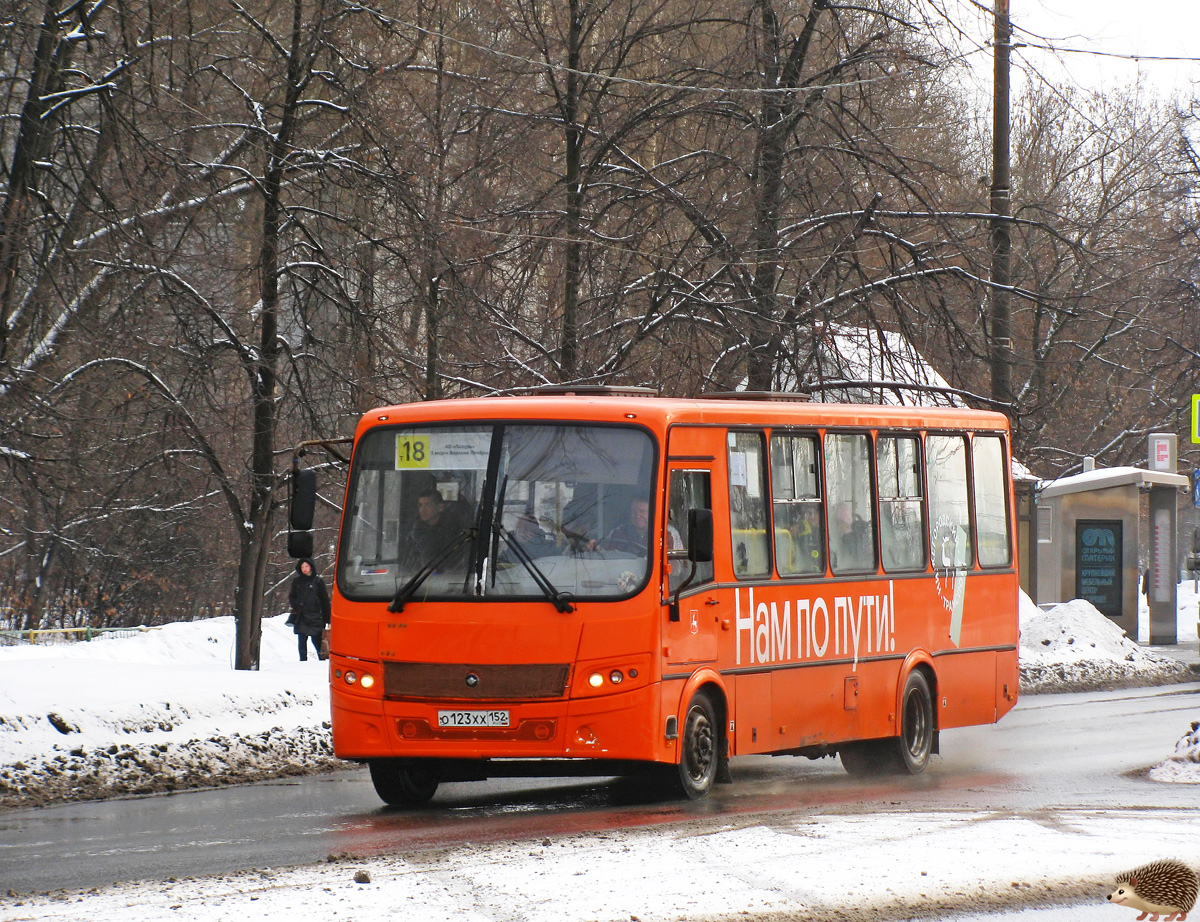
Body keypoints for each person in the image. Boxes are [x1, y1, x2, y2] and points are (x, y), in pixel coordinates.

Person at [288, 558, 330, 662]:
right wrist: (296, 605)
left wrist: (327, 619)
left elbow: (325, 600)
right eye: (302, 567)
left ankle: (322, 662)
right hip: (301, 615)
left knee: (317, 640)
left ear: (311, 567)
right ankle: (303, 662)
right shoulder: (297, 582)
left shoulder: (318, 581)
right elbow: (292, 596)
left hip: (316, 615)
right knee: (302, 640)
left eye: (306, 566)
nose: (304, 569)